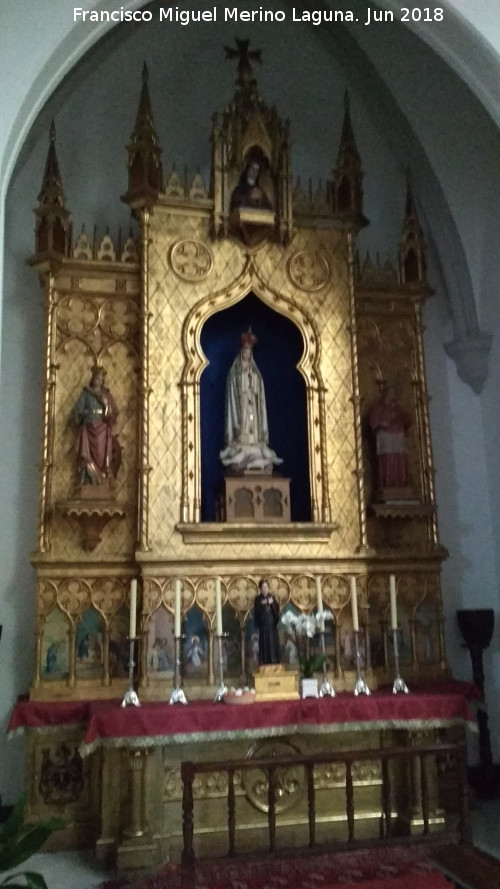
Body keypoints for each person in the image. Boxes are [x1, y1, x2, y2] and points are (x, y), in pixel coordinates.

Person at [219, 330, 283, 472]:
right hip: (241, 403)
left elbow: (259, 386)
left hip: (252, 402)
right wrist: (242, 378)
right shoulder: (234, 372)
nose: (247, 354)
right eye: (245, 351)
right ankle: (240, 445)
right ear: (242, 352)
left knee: (252, 422)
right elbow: (233, 386)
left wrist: (252, 380)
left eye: (249, 352)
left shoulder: (255, 372)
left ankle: (255, 445)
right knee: (243, 423)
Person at [72, 366, 120, 485]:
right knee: (87, 454)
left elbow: (114, 411)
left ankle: (102, 475)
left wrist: (106, 408)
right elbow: (77, 410)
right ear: (92, 379)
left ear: (102, 380)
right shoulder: (86, 394)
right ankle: (90, 477)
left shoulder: (106, 395)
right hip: (88, 428)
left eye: (100, 378)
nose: (97, 380)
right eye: (95, 378)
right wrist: (80, 414)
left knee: (101, 453)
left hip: (102, 428)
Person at [368, 386, 411, 490]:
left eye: (394, 394)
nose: (392, 396)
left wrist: (399, 422)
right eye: (390, 393)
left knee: (399, 458)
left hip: (397, 436)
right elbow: (373, 422)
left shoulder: (399, 408)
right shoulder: (379, 408)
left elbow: (407, 419)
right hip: (385, 437)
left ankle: (400, 481)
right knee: (387, 458)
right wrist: (382, 423)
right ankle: (387, 481)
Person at [253, 579, 281, 665]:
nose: (265, 589)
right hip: (263, 625)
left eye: (266, 587)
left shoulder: (272, 598)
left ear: (268, 588)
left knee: (273, 643)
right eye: (263, 587)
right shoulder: (258, 599)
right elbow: (257, 612)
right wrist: (263, 604)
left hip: (272, 625)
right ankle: (264, 661)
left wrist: (271, 604)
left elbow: (277, 611)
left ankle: (275, 660)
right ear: (260, 589)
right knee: (264, 643)